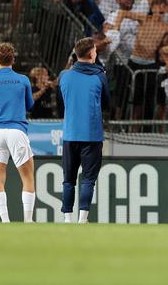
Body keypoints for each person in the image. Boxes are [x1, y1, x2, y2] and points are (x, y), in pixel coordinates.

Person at [0, 43, 35, 223]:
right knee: (27, 178)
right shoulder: (23, 80)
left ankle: (5, 221)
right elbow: (30, 105)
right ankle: (27, 221)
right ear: (13, 59)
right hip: (17, 131)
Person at [58, 38, 110, 224]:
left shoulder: (64, 75)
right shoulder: (100, 76)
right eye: (95, 50)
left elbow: (60, 102)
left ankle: (67, 218)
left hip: (70, 133)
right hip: (92, 134)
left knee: (68, 179)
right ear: (91, 54)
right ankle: (82, 219)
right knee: (88, 179)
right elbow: (106, 103)